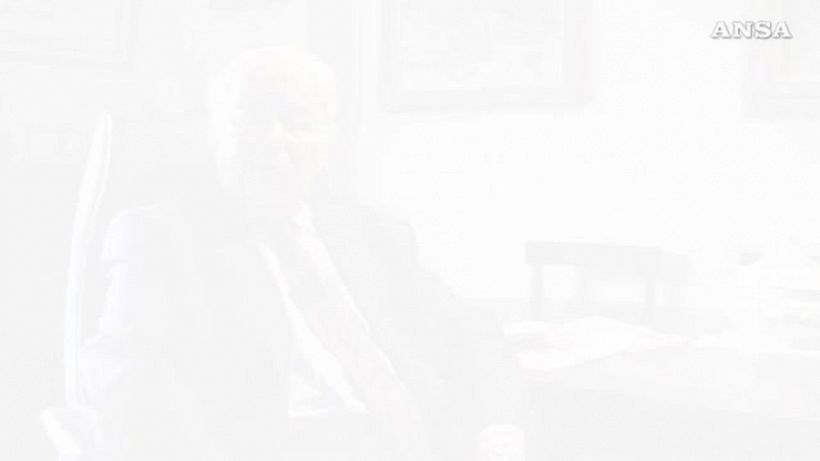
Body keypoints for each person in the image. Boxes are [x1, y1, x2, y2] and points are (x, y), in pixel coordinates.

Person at [80, 47, 524, 460]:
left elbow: (473, 334)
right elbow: (128, 390)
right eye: (252, 119)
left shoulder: (371, 234)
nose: (275, 139)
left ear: (326, 145)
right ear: (216, 137)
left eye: (297, 121)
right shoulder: (160, 240)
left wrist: (498, 431)